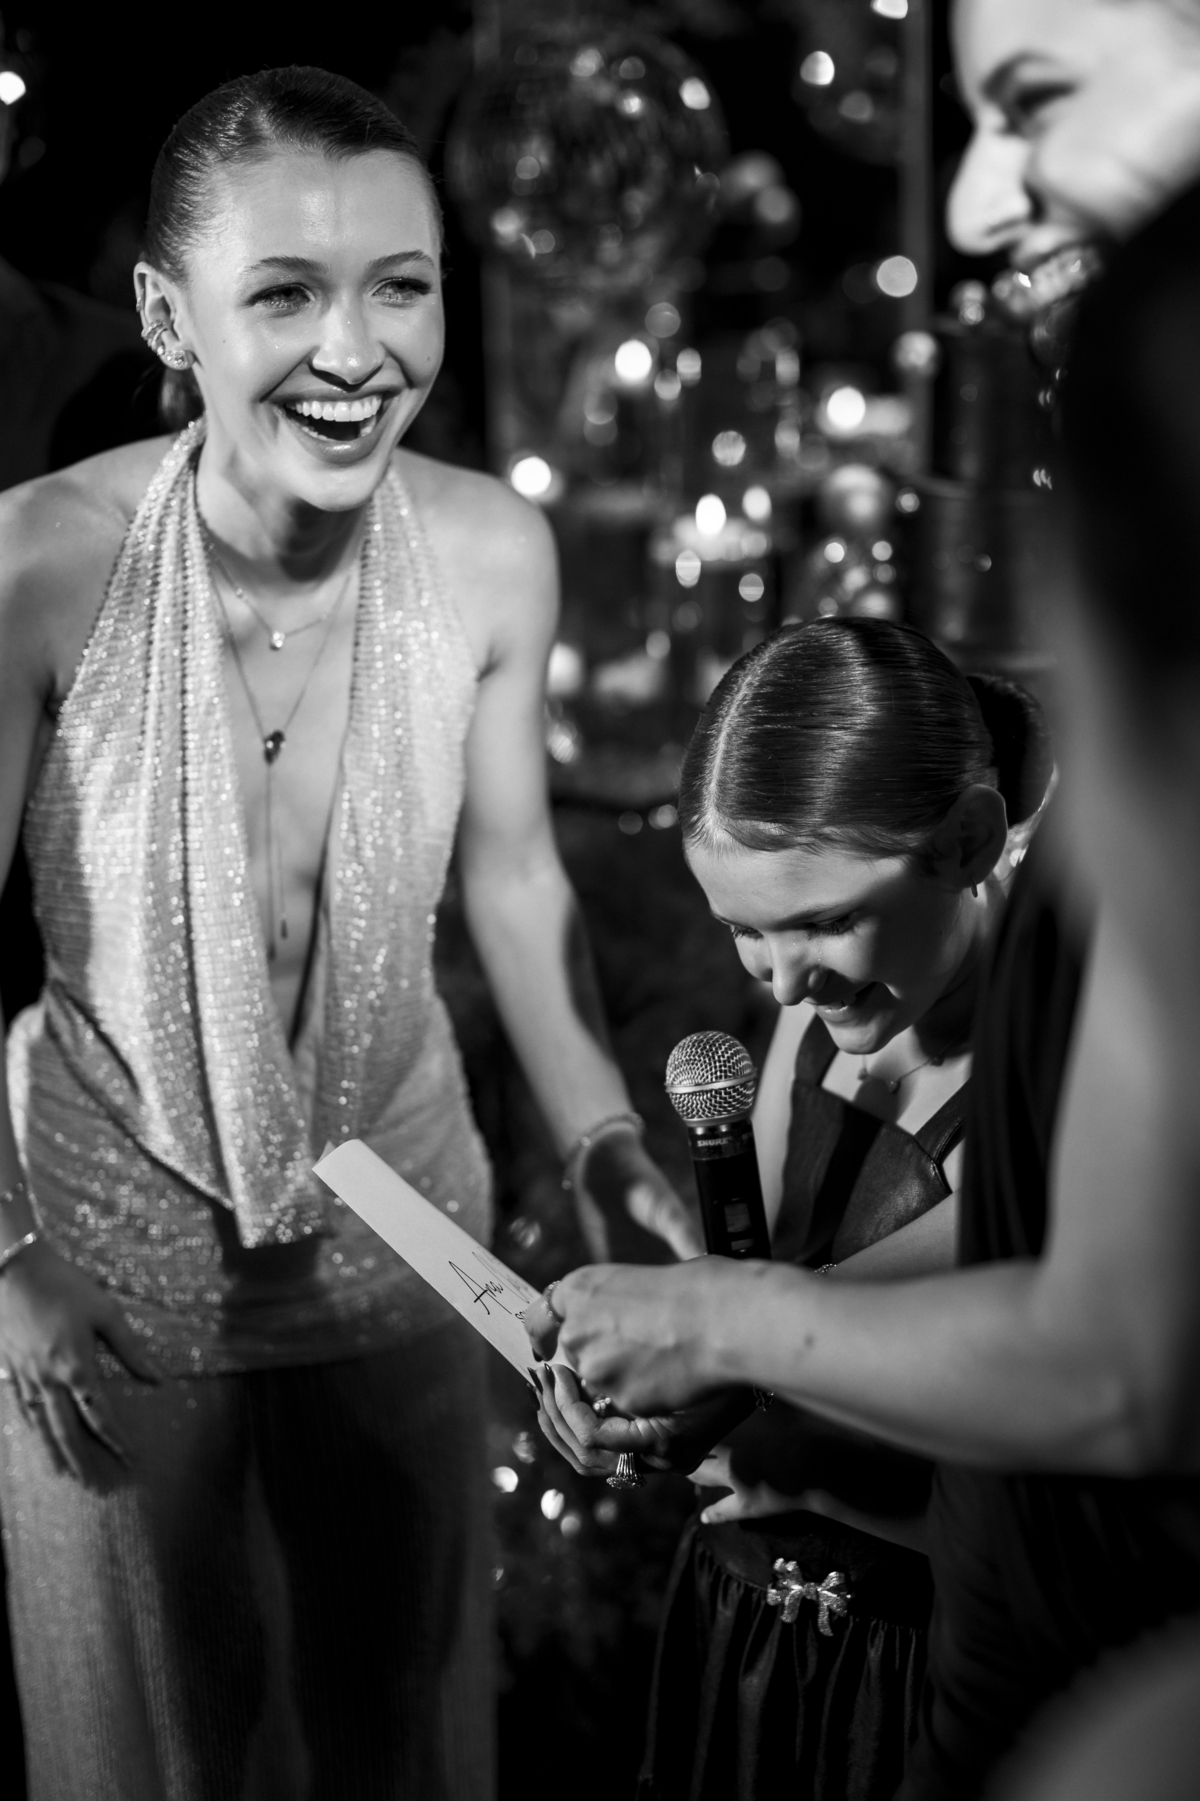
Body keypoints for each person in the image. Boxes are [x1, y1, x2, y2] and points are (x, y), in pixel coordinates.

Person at [0, 66, 697, 1801]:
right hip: (102, 1228)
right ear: (167, 314)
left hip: (403, 1212)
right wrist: (5, 1257)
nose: (357, 348)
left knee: (396, 1722)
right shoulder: (34, 569)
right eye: (286, 293)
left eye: (403, 285)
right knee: (165, 1745)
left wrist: (603, 1138)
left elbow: (517, 880)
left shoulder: (495, 551)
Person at [536, 617, 1051, 1801]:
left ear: (968, 841)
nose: (778, 981)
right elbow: (760, 1298)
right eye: (744, 930)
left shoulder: (1057, 1085)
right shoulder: (806, 1018)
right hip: (746, 1633)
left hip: (932, 1673)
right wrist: (650, 1406)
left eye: (823, 921)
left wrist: (781, 1457)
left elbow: (1033, 1479)